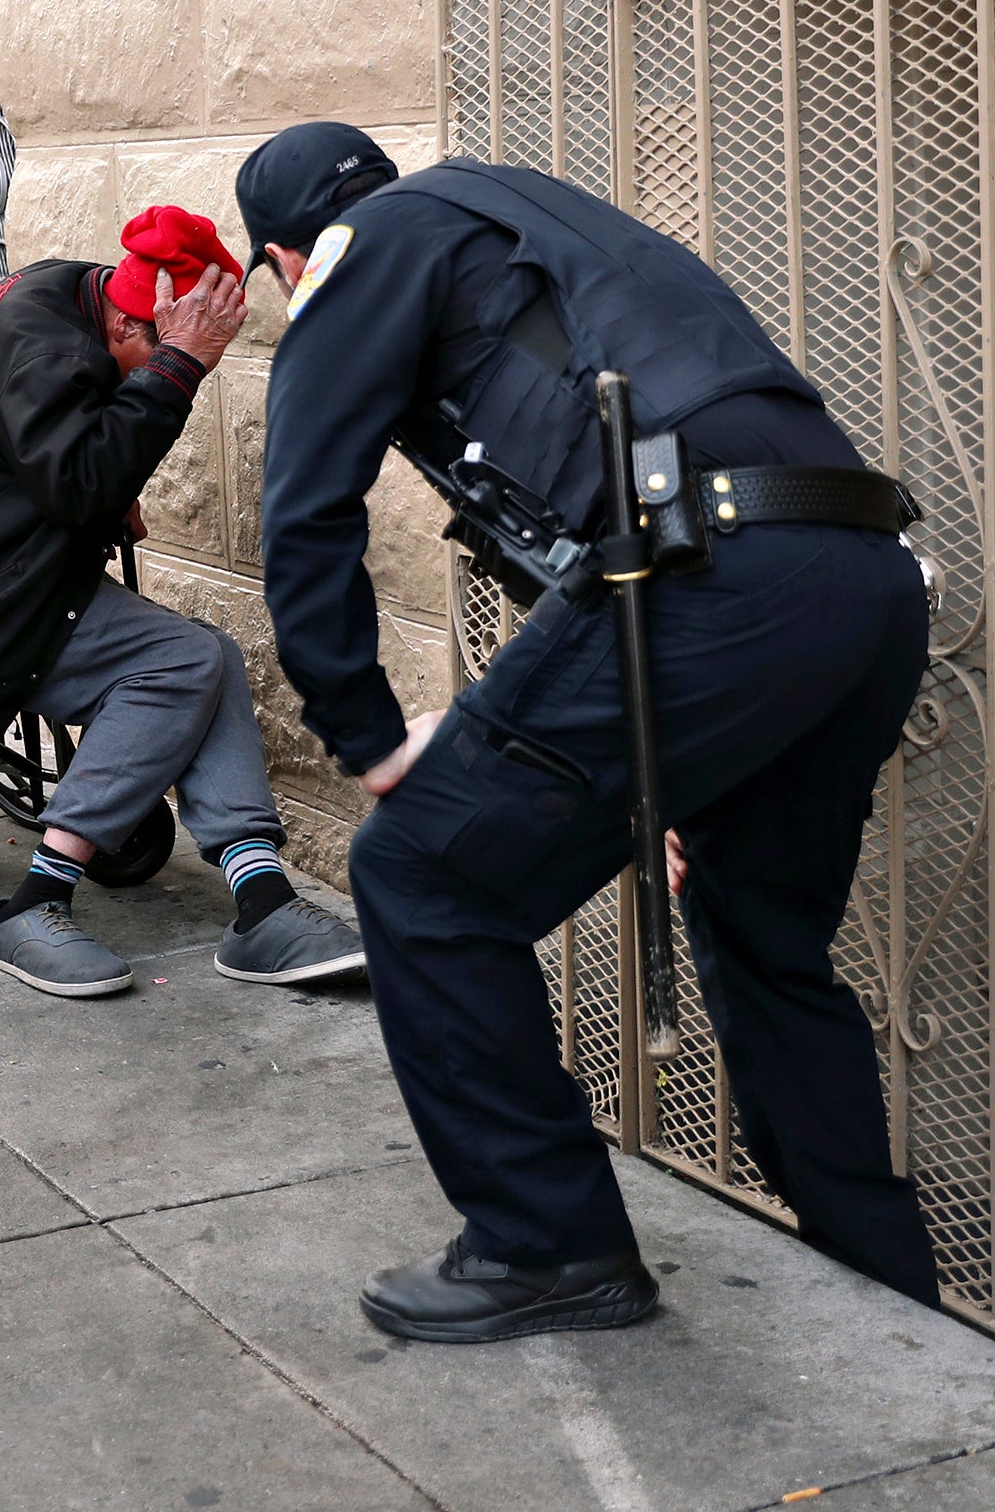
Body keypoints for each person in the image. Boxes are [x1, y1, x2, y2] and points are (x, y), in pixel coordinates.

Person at [240, 120, 937, 1344]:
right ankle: (883, 1276)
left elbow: (303, 505)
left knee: (420, 875)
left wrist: (366, 735)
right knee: (765, 933)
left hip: (716, 578)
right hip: (862, 577)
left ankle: (546, 1243)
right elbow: (594, 480)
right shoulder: (527, 220)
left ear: (285, 258)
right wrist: (668, 773)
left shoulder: (364, 247)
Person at [0, 207, 368, 999]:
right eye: (156, 347)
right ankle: (33, 902)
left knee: (209, 654)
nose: (161, 373)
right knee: (182, 664)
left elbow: (48, 452)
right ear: (123, 316)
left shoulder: (70, 295)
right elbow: (76, 480)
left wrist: (118, 462)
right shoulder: (46, 345)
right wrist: (176, 369)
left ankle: (262, 900)